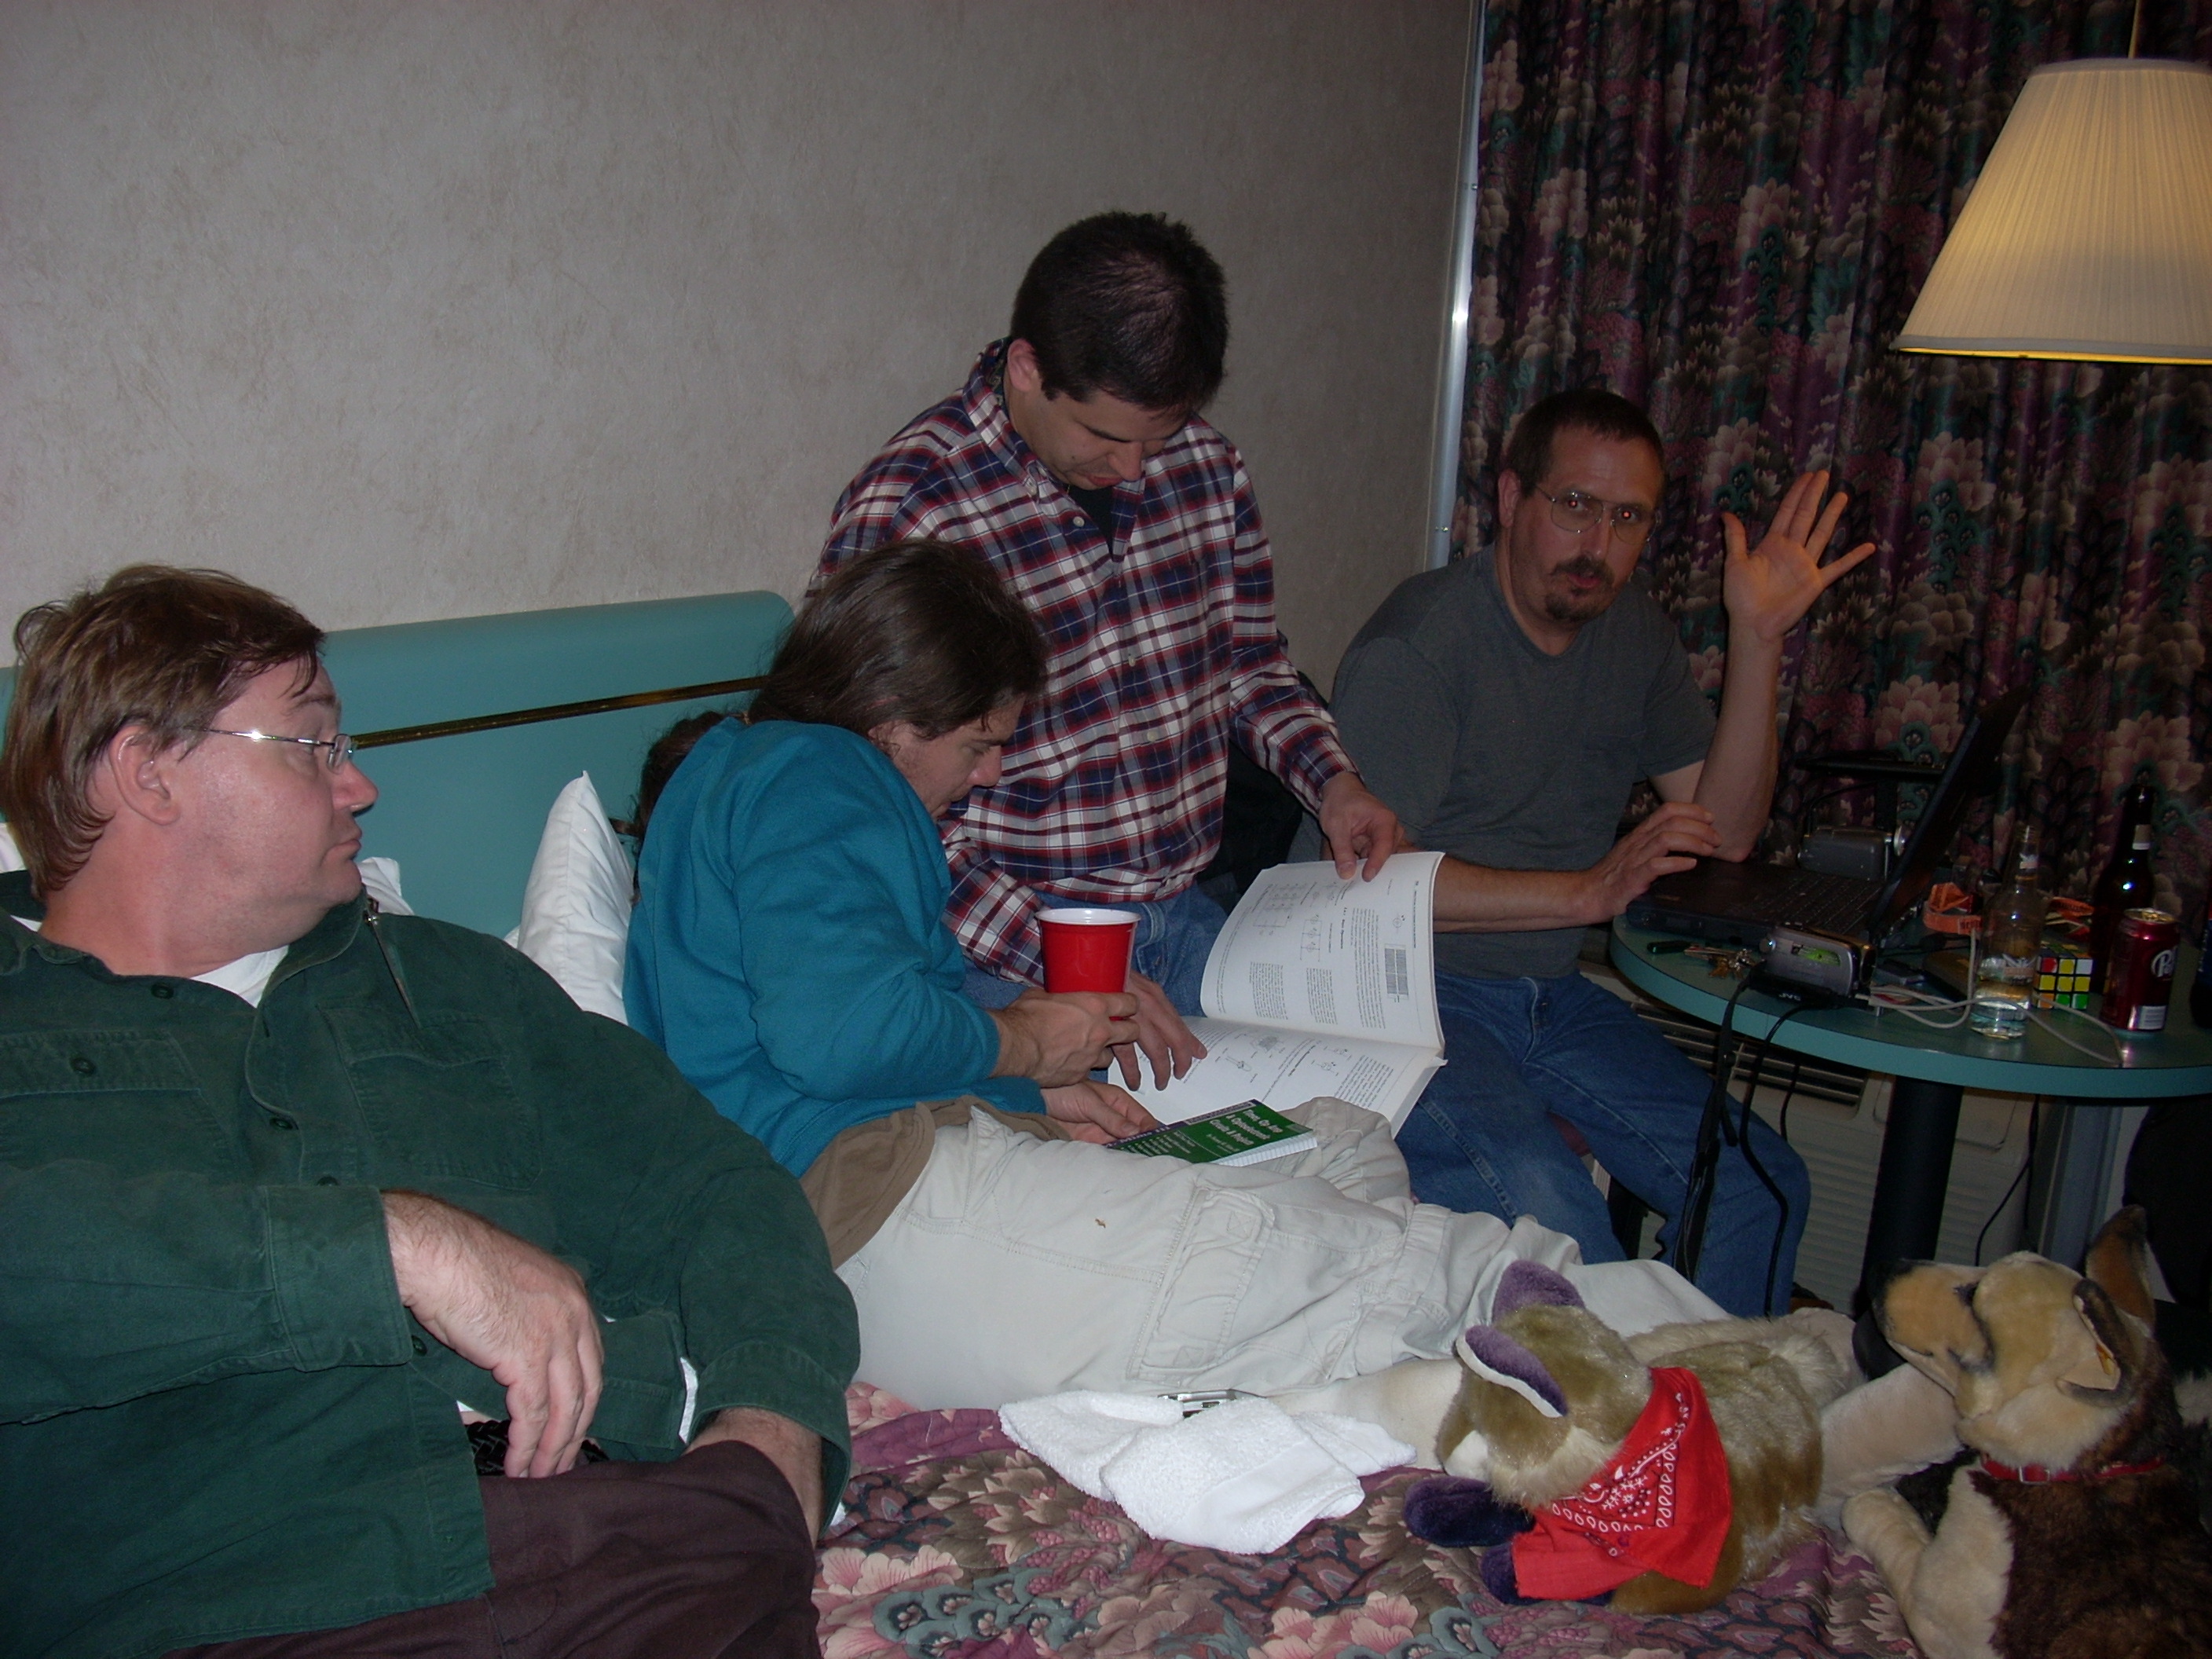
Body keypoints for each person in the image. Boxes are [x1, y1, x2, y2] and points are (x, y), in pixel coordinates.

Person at [626, 539, 1727, 1414]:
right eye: (976, 744)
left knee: (1333, 1138)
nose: (991, 772)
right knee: (1393, 1264)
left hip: (902, 1160)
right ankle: (1718, 1379)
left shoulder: (749, 781)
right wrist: (1027, 1042)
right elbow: (836, 1035)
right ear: (886, 721)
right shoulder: (819, 772)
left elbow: (839, 1012)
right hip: (870, 1206)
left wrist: (1024, 1088)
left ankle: (1357, 1368)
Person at [0, 567, 856, 1659]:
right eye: (313, 746)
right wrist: (393, 1247)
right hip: (240, 1595)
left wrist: (776, 1422)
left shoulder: (451, 985)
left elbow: (716, 1190)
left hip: (634, 1551)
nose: (359, 787)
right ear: (149, 771)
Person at [816, 211, 1401, 1090]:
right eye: (1106, 436)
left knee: (1363, 1096)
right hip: (1006, 941)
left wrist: (1335, 782)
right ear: (1027, 369)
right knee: (1168, 1155)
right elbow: (872, 801)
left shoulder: (1206, 470)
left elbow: (1250, 667)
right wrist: (1070, 956)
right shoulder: (913, 509)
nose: (1134, 470)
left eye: (1157, 439)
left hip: (1184, 912)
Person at [1322, 388, 1873, 1318]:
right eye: (1574, 505)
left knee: (1760, 1184)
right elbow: (1364, 884)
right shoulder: (1420, 647)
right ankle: (1622, 1402)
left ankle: (1706, 1398)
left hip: (1547, 993)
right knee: (1569, 1233)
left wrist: (1757, 642)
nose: (1596, 545)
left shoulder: (1633, 637)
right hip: (1405, 995)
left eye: (1626, 518)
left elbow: (1725, 828)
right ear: (1510, 499)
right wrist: (1584, 892)